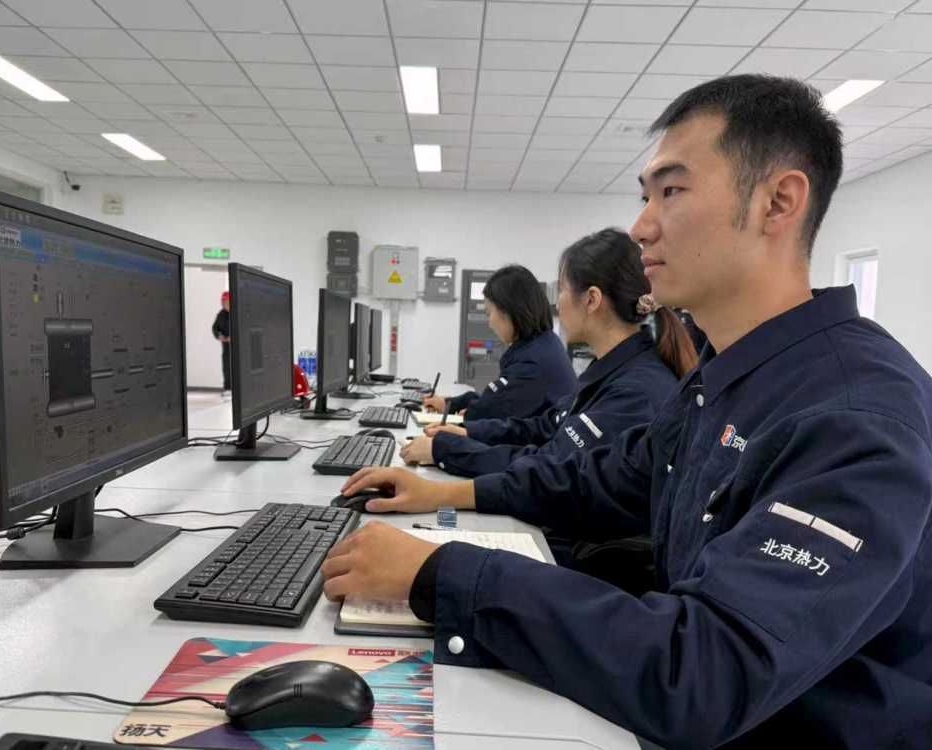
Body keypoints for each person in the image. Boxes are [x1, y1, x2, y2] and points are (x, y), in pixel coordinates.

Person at [321, 75, 932, 748]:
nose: (642, 228)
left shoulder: (856, 415)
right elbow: (597, 478)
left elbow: (706, 670)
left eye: (671, 192)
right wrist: (446, 492)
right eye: (646, 197)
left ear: (777, 202)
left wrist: (441, 574)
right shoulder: (728, 381)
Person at [401, 229, 694, 480]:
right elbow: (546, 427)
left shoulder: (635, 392)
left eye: (562, 290)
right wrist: (469, 434)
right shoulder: (611, 371)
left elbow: (550, 469)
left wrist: (447, 451)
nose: (557, 304)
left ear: (591, 299)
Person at [422, 265, 577, 422]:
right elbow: (498, 399)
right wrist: (451, 404)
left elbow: (490, 411)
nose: (490, 323)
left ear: (508, 311)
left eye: (489, 313)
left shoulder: (532, 363)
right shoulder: (543, 344)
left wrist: (468, 414)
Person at [212, 291, 231, 396]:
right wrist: (219, 336)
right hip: (226, 348)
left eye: (226, 301)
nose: (224, 303)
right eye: (223, 301)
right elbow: (215, 328)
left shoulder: (237, 312)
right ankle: (228, 389)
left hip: (238, 348)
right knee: (227, 368)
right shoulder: (221, 315)